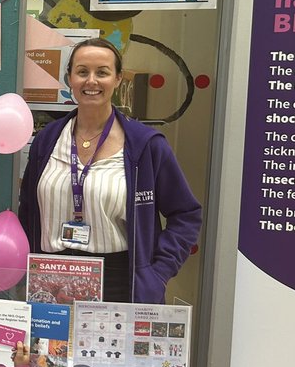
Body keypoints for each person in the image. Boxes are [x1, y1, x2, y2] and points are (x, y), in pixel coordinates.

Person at [18, 37, 202, 304]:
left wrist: (158, 273)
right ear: (70, 78)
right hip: (50, 280)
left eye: (102, 72)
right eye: (82, 72)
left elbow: (186, 214)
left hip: (119, 284)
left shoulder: (146, 146)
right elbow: (28, 210)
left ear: (117, 79)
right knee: (53, 348)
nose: (91, 81)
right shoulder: (48, 140)